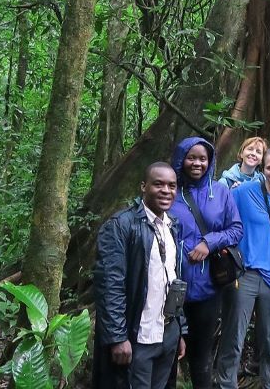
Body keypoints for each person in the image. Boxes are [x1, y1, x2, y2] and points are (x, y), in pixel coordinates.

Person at [92, 162, 186, 389]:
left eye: (172, 186)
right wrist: (117, 337)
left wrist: (180, 330)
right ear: (143, 187)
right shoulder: (121, 225)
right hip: (139, 336)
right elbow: (109, 285)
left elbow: (174, 280)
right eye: (159, 184)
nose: (166, 190)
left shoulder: (172, 226)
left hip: (167, 334)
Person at [215, 148, 270, 389]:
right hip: (245, 273)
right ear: (263, 170)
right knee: (234, 337)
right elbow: (218, 211)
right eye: (269, 168)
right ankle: (226, 385)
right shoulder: (244, 192)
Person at [169, 137, 243, 389]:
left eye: (203, 158)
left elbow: (236, 229)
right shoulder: (170, 189)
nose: (197, 163)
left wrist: (209, 242)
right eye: (191, 157)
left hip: (206, 287)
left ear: (210, 161)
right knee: (168, 350)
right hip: (169, 285)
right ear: (181, 159)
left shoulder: (220, 192)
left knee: (200, 354)